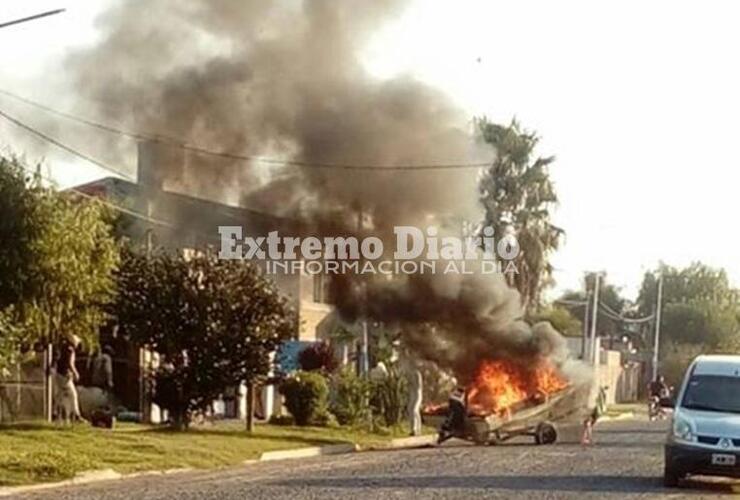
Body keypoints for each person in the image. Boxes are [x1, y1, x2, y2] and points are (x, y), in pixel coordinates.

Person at [54, 335, 84, 424]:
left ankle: (56, 413)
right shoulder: (70, 351)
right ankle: (76, 415)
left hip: (59, 374)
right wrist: (75, 373)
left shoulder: (63, 348)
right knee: (73, 394)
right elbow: (70, 363)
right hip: (64, 375)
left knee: (60, 395)